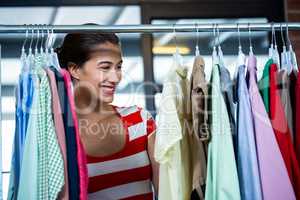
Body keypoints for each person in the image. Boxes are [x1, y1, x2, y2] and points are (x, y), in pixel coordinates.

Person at [56, 32, 159, 200]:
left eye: (118, 67)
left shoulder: (140, 120)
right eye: (105, 67)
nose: (116, 77)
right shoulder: (59, 136)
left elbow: (167, 192)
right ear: (74, 69)